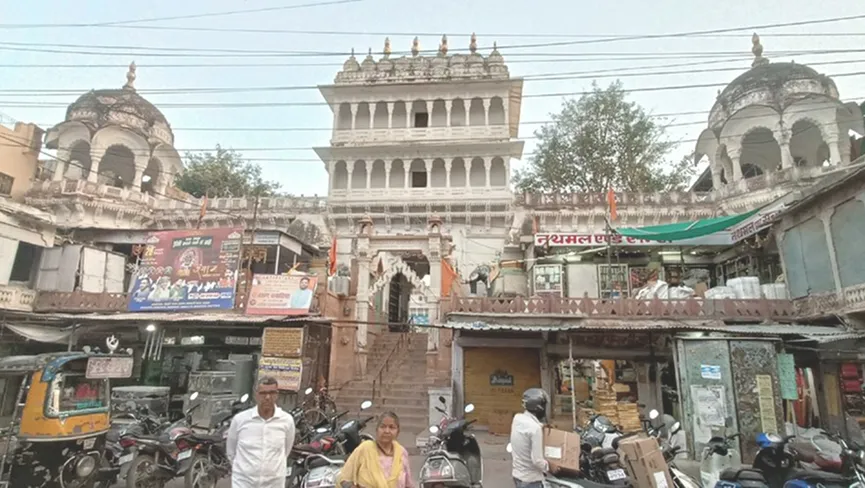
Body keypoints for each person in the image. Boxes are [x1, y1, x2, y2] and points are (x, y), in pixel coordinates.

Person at [226, 376, 296, 488]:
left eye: (272, 393)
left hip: (274, 483)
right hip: (244, 482)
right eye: (263, 393)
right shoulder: (240, 420)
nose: (268, 397)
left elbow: (286, 451)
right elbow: (231, 452)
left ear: (277, 395)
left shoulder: (286, 421)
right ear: (256, 395)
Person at [337, 411, 415, 488]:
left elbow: (408, 484)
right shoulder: (364, 449)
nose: (387, 431)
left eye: (391, 427)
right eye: (383, 426)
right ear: (377, 429)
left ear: (398, 432)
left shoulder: (401, 452)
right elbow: (344, 479)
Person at [510, 388, 556, 488]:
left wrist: (541, 426)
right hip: (532, 480)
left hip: (518, 475)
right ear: (539, 407)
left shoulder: (517, 419)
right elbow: (537, 461)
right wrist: (551, 467)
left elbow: (528, 429)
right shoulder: (535, 429)